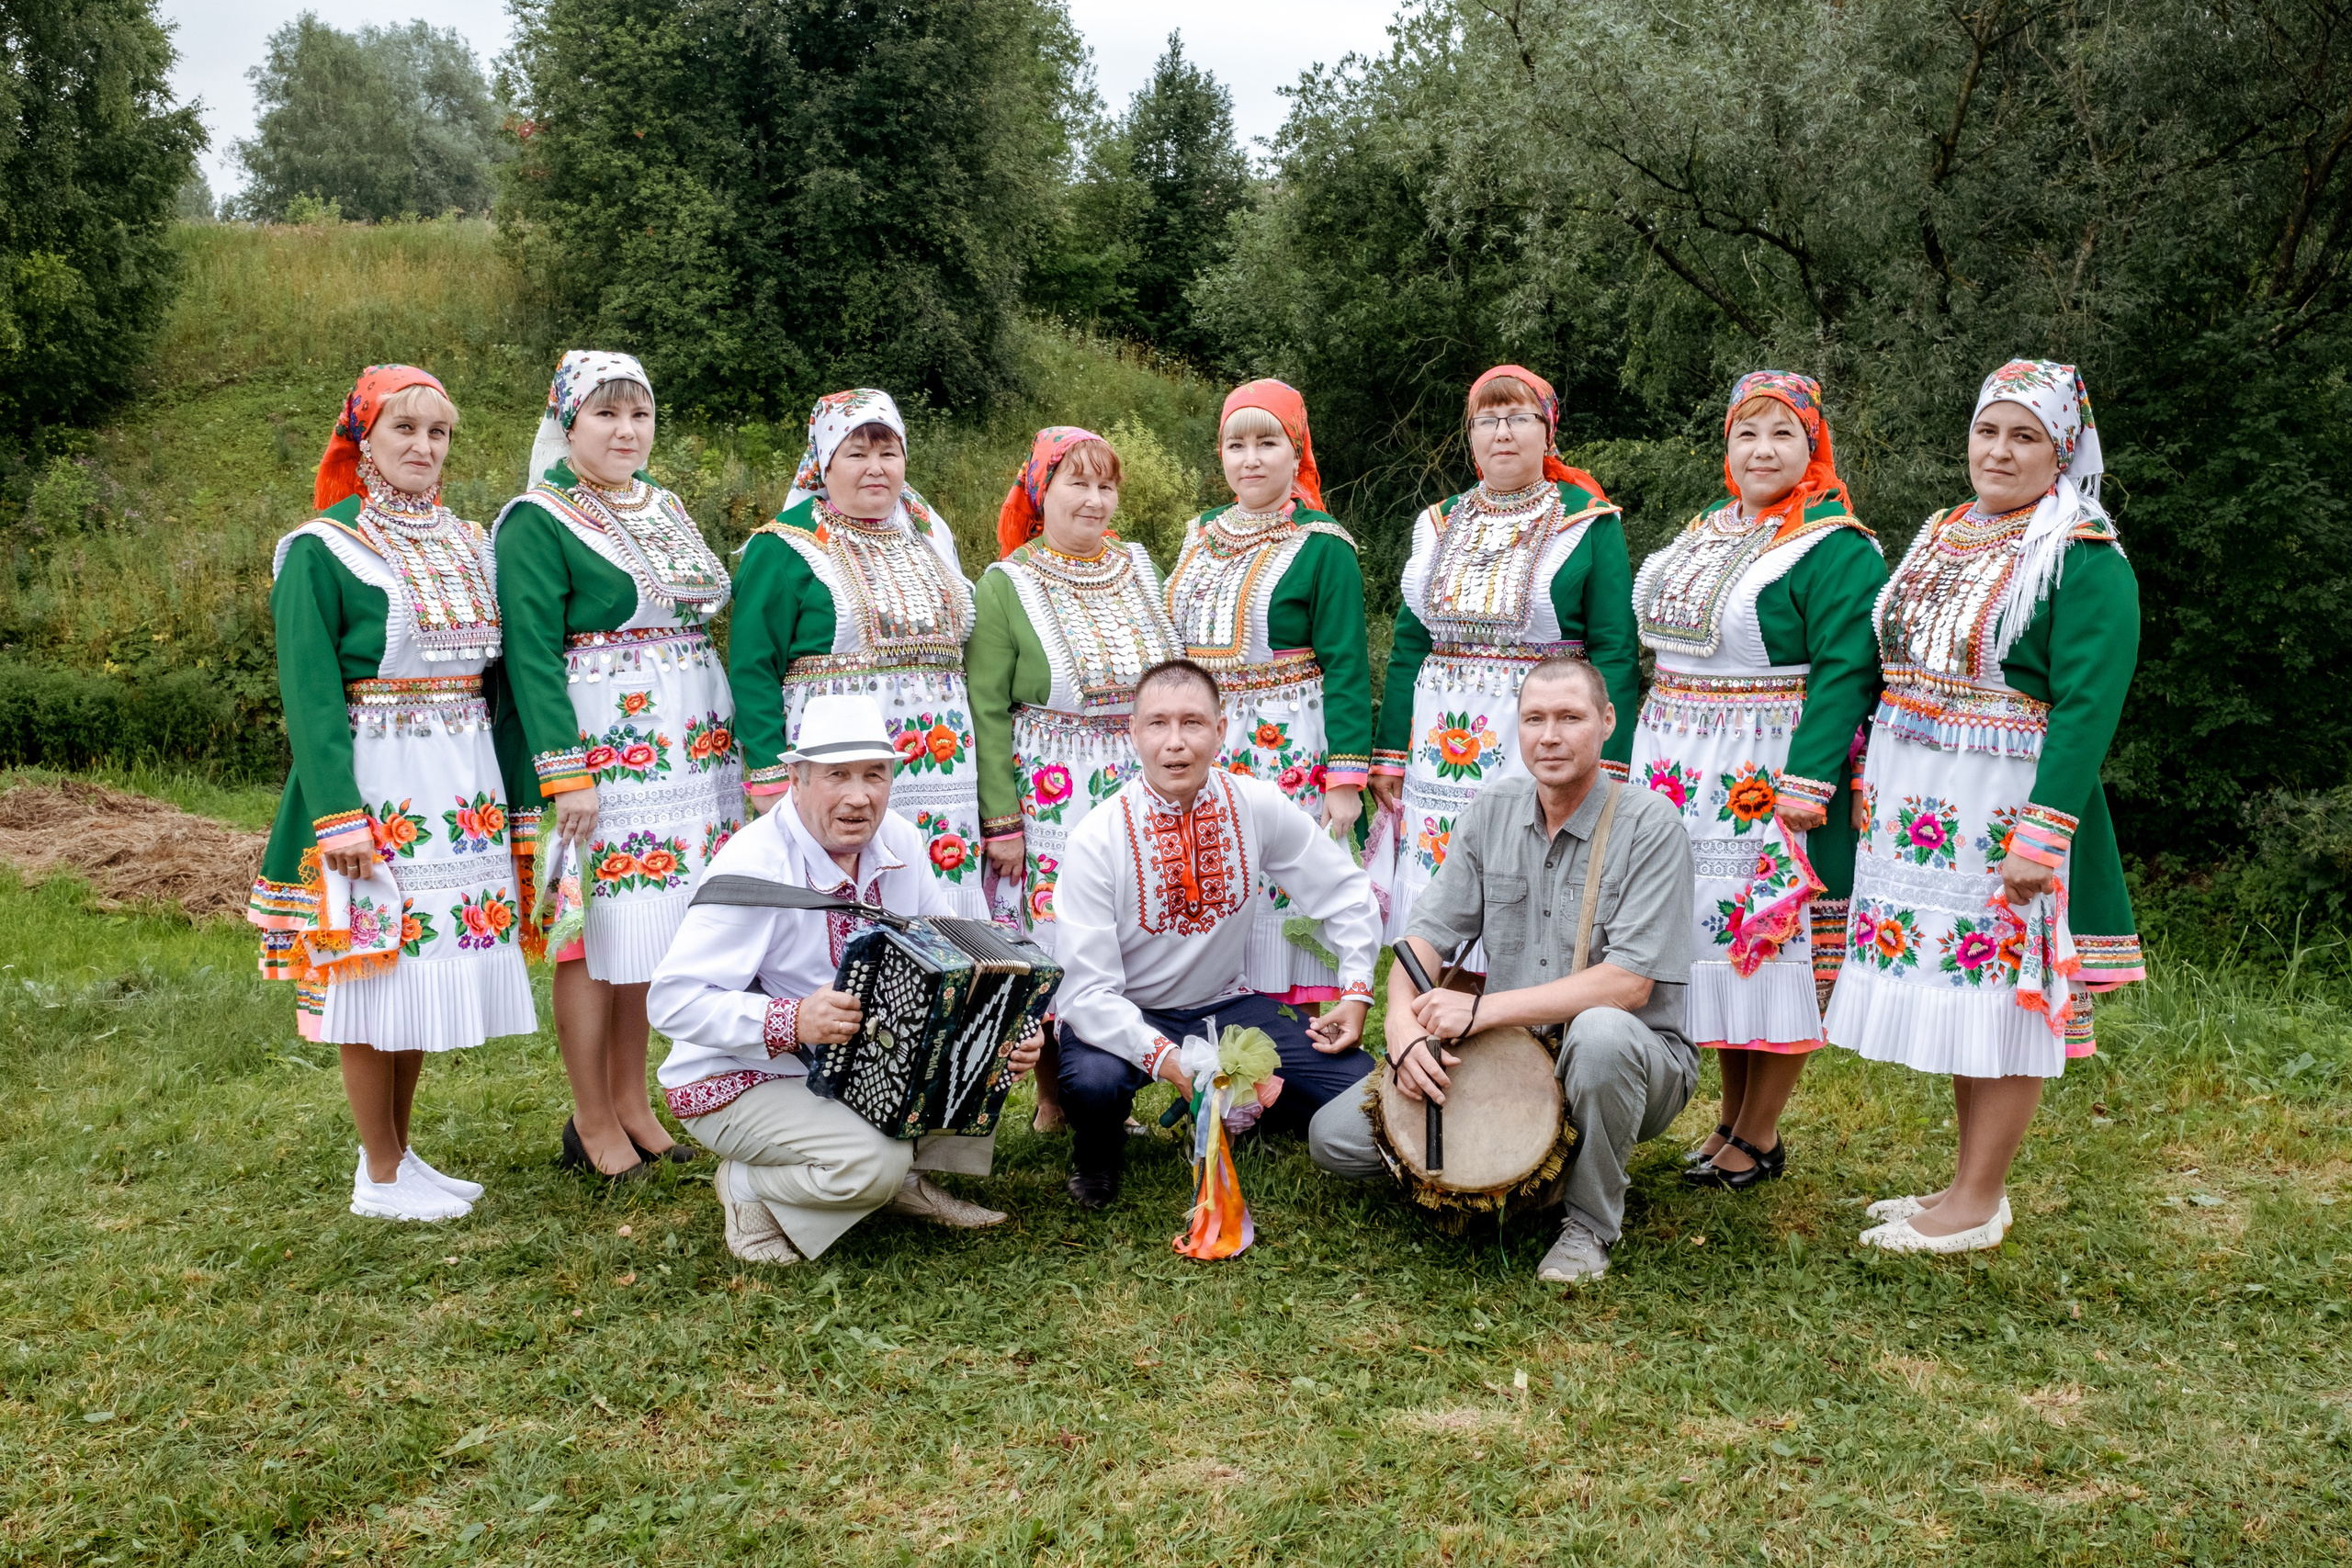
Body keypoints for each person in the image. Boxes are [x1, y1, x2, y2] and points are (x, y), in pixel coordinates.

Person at [1826, 360, 2143, 1253]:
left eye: (2024, 436)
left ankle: (1978, 1198)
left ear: (2063, 450)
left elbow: (2088, 701)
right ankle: (1968, 1187)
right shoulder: (1944, 530)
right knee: (1962, 990)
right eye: (1987, 431)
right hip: (1922, 801)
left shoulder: (2078, 551)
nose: (1998, 452)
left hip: (2002, 803)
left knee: (2002, 996)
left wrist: (2044, 833)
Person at [246, 365, 536, 1222]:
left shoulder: (469, 542)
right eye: (403, 430)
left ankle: (401, 1155)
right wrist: (339, 814)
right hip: (378, 785)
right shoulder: (320, 549)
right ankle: (377, 1170)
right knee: (371, 978)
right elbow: (309, 694)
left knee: (418, 972)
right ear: (364, 441)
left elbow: (499, 682)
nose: (423, 447)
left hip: (460, 786)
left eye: (437, 433)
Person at [1310, 656, 1695, 1284]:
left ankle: (1587, 1222)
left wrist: (1480, 1011)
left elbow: (1629, 984)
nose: (1550, 735)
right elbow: (1423, 940)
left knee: (1598, 1037)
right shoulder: (1494, 809)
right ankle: (1520, 1163)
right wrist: (1404, 1030)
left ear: (1606, 722)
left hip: (1626, 1059)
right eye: (1534, 718)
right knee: (1334, 1138)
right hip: (1514, 1050)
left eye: (1570, 717)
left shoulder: (1650, 825)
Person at [646, 694, 1041, 1263]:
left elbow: (945, 957)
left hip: (855, 1063)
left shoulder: (898, 840)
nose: (859, 797)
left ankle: (905, 1181)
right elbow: (672, 1003)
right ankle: (749, 1187)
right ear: (796, 779)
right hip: (742, 1075)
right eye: (838, 776)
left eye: (874, 775)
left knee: (975, 1061)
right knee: (871, 1163)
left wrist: (1004, 1029)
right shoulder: (754, 865)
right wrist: (792, 1019)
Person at [1627, 370, 1886, 1190]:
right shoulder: (1706, 530)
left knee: (1770, 938)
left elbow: (1848, 666)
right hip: (1681, 760)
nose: (1762, 450)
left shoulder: (1836, 544)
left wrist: (1808, 782)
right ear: (1727, 447)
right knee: (1712, 941)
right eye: (1748, 433)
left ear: (1814, 446)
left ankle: (1762, 1132)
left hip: (1765, 766)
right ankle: (1730, 1121)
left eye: (1783, 434)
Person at [492, 351, 741, 1179]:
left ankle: (634, 1102)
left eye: (639, 414)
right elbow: (530, 653)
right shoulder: (538, 518)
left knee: (651, 934)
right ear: (568, 423)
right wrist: (567, 772)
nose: (626, 431)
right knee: (592, 938)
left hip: (683, 754)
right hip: (605, 750)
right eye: (605, 414)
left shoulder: (663, 505)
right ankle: (590, 1117)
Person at [1051, 660, 1382, 1210]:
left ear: (1222, 729)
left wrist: (1355, 990)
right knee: (1092, 1081)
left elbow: (1344, 890)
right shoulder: (1098, 837)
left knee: (1360, 1088)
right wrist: (1169, 1060)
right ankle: (1097, 1149)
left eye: (1193, 724)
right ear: (1133, 733)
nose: (1175, 744)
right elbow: (1084, 993)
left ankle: (1258, 1107)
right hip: (1128, 1009)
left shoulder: (1255, 804)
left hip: (1226, 1005)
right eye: (1157, 724)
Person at [1369, 366, 1640, 939]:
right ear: (1471, 437)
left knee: (1529, 866)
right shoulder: (1439, 522)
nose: (1503, 433)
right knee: (1445, 879)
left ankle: (1530, 1017)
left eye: (1519, 418)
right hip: (1443, 735)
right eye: (1487, 421)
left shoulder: (1587, 521)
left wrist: (1606, 755)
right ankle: (1439, 1010)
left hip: (1538, 730)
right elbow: (1410, 642)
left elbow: (1614, 648)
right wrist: (1391, 750)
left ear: (1548, 432)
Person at [968, 426, 1182, 1130]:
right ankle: (1057, 1098)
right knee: (1065, 933)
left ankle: (1113, 1085)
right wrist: (1003, 821)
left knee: (1129, 924)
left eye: (1105, 485)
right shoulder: (1007, 584)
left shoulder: (1139, 566)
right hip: (1054, 782)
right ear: (1040, 491)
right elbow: (987, 709)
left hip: (1134, 775)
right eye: (1077, 484)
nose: (1094, 500)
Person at [728, 389, 985, 919]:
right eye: (857, 453)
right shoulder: (783, 546)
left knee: (937, 901)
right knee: (841, 904)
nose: (875, 468)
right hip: (838, 767)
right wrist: (771, 778)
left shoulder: (929, 536)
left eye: (888, 453)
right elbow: (753, 667)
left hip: (940, 768)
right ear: (824, 463)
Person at [1160, 379, 1373, 1002]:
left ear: (1295, 449)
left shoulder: (1323, 545)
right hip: (1203, 743)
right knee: (1208, 876)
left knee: (1282, 878)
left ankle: (1295, 1046)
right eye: (1236, 443)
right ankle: (1211, 1037)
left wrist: (1344, 781)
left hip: (1288, 747)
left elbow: (1347, 667)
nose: (1250, 459)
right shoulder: (1199, 534)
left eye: (1267, 442)